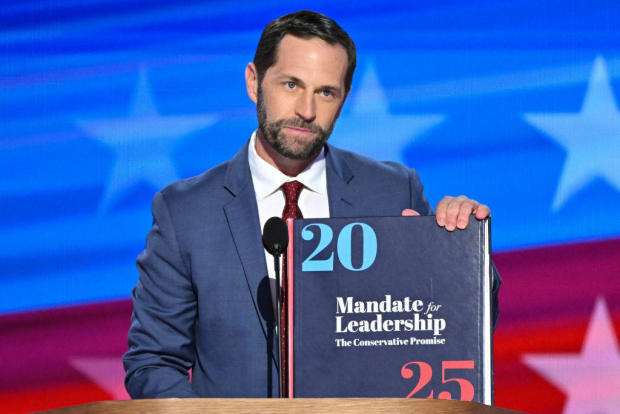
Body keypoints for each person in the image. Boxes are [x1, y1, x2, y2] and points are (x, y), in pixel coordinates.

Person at [123, 10, 500, 398]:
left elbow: (448, 330)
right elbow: (152, 363)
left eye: (325, 92)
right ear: (254, 82)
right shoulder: (186, 212)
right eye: (290, 84)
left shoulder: (392, 192)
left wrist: (462, 254)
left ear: (344, 99)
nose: (306, 110)